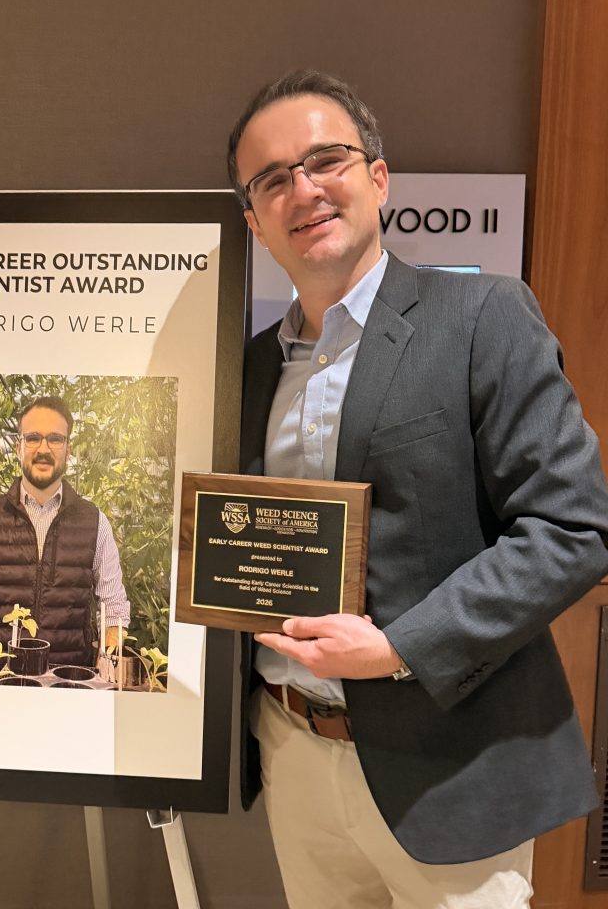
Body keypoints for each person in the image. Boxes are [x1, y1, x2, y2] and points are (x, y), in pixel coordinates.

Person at [228, 69, 608, 908]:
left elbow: (572, 530)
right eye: (274, 179)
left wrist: (399, 648)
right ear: (255, 221)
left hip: (451, 768)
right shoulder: (247, 369)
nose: (306, 188)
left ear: (378, 177)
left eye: (327, 159)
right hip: (292, 747)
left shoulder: (483, 318)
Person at [0, 395, 129, 666]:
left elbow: (115, 608)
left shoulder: (95, 523)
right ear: (19, 446)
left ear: (68, 449)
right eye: (33, 438)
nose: (43, 448)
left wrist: (106, 667)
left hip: (68, 682)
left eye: (55, 439)